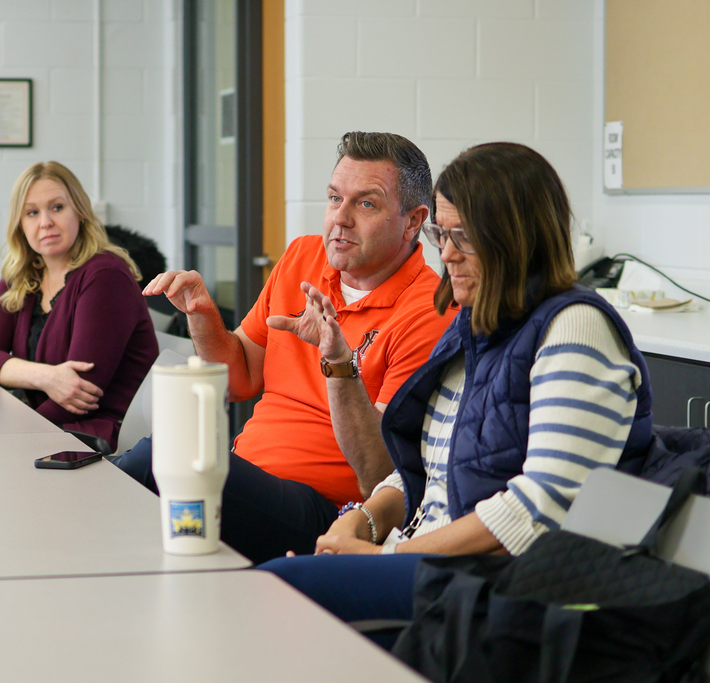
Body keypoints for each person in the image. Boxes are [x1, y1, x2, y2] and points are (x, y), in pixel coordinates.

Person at [260, 142, 654, 646]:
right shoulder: (473, 328)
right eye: (441, 234)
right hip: (432, 563)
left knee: (275, 592)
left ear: (518, 239)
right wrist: (360, 523)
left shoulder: (576, 329)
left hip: (502, 588)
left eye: (464, 236)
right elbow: (425, 471)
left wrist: (385, 559)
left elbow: (535, 512)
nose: (445, 253)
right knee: (275, 597)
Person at [115, 132, 456, 563]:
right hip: (245, 478)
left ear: (412, 221)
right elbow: (237, 378)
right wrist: (201, 315)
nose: (341, 219)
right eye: (335, 198)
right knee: (160, 479)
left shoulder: (430, 309)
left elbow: (382, 474)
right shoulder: (303, 257)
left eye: (366, 204)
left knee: (164, 457)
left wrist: (337, 362)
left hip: (325, 513)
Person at [0, 161, 158, 452]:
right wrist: (45, 376)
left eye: (57, 207)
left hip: (100, 439)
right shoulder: (22, 274)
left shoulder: (105, 275)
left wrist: (13, 434)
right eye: (32, 212)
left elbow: (79, 393)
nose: (45, 222)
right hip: (49, 431)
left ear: (80, 212)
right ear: (21, 225)